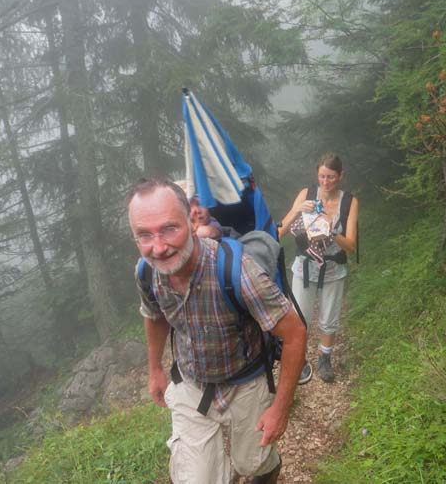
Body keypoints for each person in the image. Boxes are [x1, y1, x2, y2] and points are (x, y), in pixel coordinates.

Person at [127, 178, 306, 484]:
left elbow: (295, 334)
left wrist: (280, 408)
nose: (158, 247)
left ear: (191, 219)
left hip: (246, 380)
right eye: (144, 235)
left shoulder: (238, 271)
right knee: (196, 479)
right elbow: (154, 315)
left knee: (253, 464)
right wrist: (155, 368)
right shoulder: (147, 272)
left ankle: (266, 469)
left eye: (170, 228)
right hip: (190, 380)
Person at [279, 153, 359, 384]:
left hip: (334, 267)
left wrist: (331, 231)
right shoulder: (306, 194)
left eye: (331, 177)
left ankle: (325, 357)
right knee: (298, 318)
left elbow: (351, 245)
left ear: (341, 176)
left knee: (330, 317)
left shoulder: (349, 202)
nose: (326, 182)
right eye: (322, 176)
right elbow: (281, 230)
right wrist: (297, 210)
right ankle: (299, 360)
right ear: (317, 174)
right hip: (305, 266)